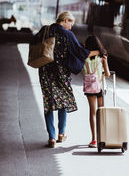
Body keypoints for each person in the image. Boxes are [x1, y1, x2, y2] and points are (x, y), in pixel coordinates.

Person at [35, 11, 99, 148]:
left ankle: (51, 137)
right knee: (63, 101)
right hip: (61, 74)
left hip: (45, 73)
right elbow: (80, 52)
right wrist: (98, 52)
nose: (71, 27)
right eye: (71, 24)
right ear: (65, 20)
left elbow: (34, 43)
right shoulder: (67, 34)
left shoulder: (45, 30)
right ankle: (61, 134)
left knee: (48, 102)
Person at [83, 35, 110, 148]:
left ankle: (93, 139)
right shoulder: (102, 58)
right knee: (101, 112)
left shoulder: (85, 58)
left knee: (92, 113)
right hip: (99, 87)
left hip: (89, 88)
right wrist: (105, 61)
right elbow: (107, 74)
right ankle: (102, 138)